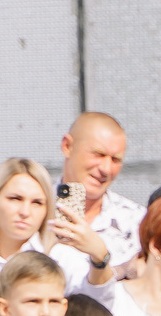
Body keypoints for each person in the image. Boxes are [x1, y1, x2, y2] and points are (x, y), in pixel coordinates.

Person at [0, 156, 93, 284]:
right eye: (15, 199)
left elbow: (98, 298)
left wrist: (100, 258)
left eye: (37, 203)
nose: (25, 212)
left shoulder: (62, 259)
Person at [49, 111, 141, 292]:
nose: (106, 169)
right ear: (67, 146)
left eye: (116, 159)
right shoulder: (32, 210)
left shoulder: (137, 221)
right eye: (98, 154)